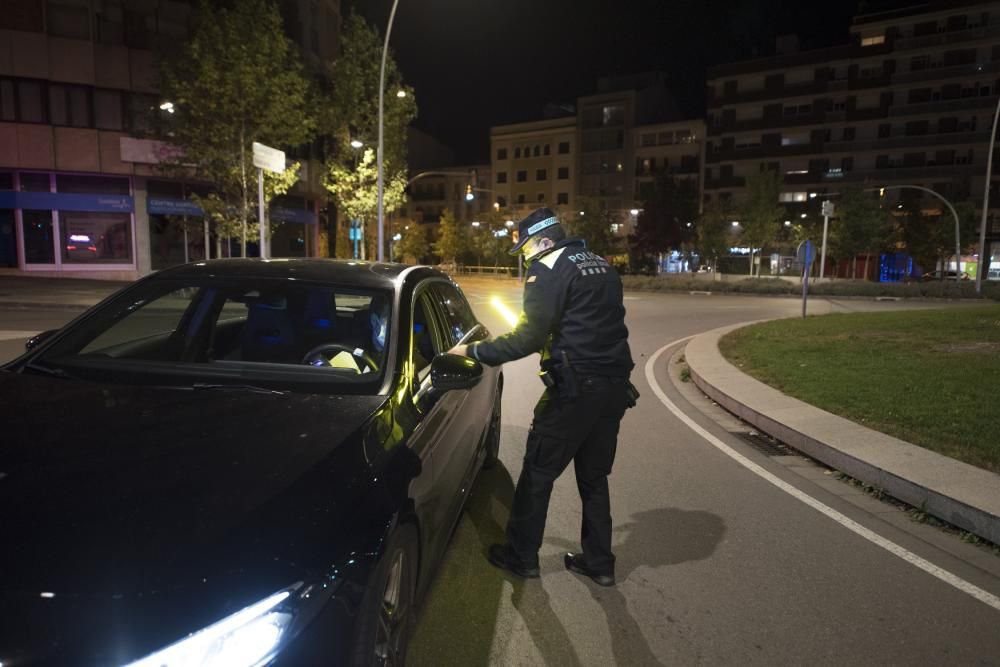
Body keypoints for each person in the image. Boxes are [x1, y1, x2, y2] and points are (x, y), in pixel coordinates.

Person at [449, 207, 635, 587]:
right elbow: (600, 323)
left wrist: (472, 353)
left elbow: (527, 338)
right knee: (595, 478)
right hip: (613, 387)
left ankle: (521, 556)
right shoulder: (601, 264)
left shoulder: (546, 269)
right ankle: (599, 563)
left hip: (574, 392)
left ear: (545, 239)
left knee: (538, 473)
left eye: (527, 247)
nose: (525, 257)